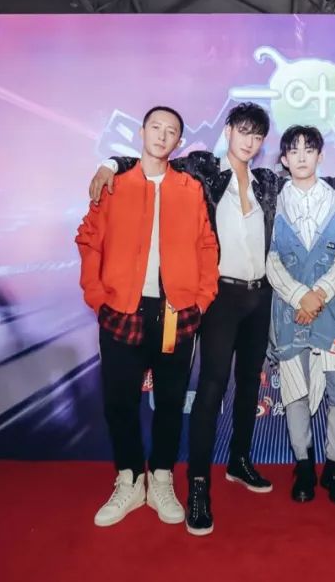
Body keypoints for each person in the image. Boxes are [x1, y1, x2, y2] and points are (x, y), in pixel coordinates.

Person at [88, 102, 335, 535]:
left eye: (257, 136)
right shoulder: (202, 170)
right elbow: (153, 159)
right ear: (228, 131)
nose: (249, 141)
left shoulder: (267, 181)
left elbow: (310, 178)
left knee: (249, 382)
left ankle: (240, 460)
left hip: (263, 294)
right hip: (221, 295)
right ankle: (198, 485)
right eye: (243, 131)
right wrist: (111, 163)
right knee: (212, 385)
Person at [75, 106, 219, 527]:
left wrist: (201, 300)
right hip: (122, 307)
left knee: (171, 402)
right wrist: (98, 297)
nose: (162, 135)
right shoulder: (114, 184)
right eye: (156, 127)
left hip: (176, 311)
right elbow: (89, 241)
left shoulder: (190, 188)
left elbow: (207, 245)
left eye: (171, 131)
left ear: (178, 142)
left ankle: (161, 478)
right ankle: (129, 479)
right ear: (141, 132)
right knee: (119, 401)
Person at [266, 125, 335, 506]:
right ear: (284, 159)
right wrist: (298, 297)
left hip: (334, 311)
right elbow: (270, 260)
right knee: (294, 394)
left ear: (321, 156)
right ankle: (303, 466)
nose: (302, 156)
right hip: (289, 313)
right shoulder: (273, 202)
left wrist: (318, 295)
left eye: (309, 149)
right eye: (294, 150)